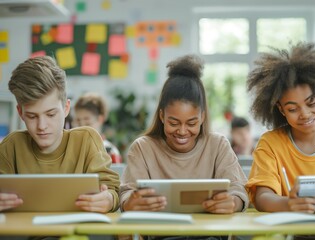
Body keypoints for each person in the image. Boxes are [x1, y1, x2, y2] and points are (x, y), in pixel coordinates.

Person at [120, 54, 249, 240]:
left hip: (209, 235)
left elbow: (239, 190)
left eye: (191, 123)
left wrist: (234, 202)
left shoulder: (218, 145)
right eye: (174, 122)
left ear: (202, 117)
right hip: (161, 236)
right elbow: (126, 196)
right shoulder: (143, 148)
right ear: (162, 116)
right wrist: (130, 203)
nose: (182, 131)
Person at [245, 42, 315, 240]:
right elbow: (263, 197)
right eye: (292, 109)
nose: (305, 114)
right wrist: (288, 204)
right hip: (294, 234)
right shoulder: (271, 143)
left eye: (311, 103)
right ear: (281, 110)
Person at [0, 56, 120, 214]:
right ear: (20, 113)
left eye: (50, 114)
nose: (42, 126)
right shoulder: (11, 145)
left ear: (66, 108)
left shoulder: (86, 139)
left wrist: (108, 199)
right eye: (32, 116)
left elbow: (112, 189)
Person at [74, 92, 122, 163]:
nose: (82, 127)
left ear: (100, 119)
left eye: (87, 123)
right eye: (78, 122)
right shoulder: (72, 148)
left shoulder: (110, 151)